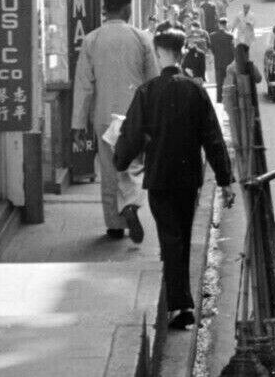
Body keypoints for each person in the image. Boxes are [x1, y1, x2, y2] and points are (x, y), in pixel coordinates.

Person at [114, 28, 235, 330]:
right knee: (179, 234)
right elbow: (213, 137)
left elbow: (130, 135)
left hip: (159, 177)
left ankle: (181, 305)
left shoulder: (147, 91)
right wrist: (225, 179)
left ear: (158, 54)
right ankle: (179, 298)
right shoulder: (195, 90)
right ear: (181, 53)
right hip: (188, 177)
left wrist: (120, 160)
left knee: (170, 238)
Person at [72, 0, 158, 242]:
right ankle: (131, 202)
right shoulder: (141, 38)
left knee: (109, 169)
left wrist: (78, 123)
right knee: (134, 165)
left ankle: (114, 225)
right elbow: (152, 80)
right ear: (125, 9)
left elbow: (84, 84)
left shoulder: (92, 40)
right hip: (135, 115)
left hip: (104, 115)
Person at [209, 18, 235, 103]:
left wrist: (216, 55)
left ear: (219, 24)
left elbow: (211, 49)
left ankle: (219, 100)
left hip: (218, 62)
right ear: (226, 24)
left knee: (219, 83)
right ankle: (229, 100)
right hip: (228, 63)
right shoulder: (230, 36)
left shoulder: (212, 36)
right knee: (228, 83)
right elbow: (233, 50)